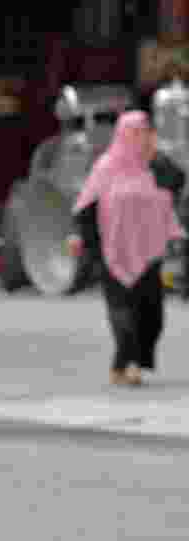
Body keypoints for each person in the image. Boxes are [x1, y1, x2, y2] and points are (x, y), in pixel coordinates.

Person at [70, 110, 186, 386]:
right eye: (138, 132)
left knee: (152, 314)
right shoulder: (106, 167)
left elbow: (178, 181)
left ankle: (134, 361)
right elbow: (86, 207)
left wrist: (156, 154)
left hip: (149, 252)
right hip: (113, 252)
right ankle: (126, 363)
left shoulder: (155, 167)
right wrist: (90, 248)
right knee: (123, 310)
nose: (144, 137)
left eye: (147, 132)